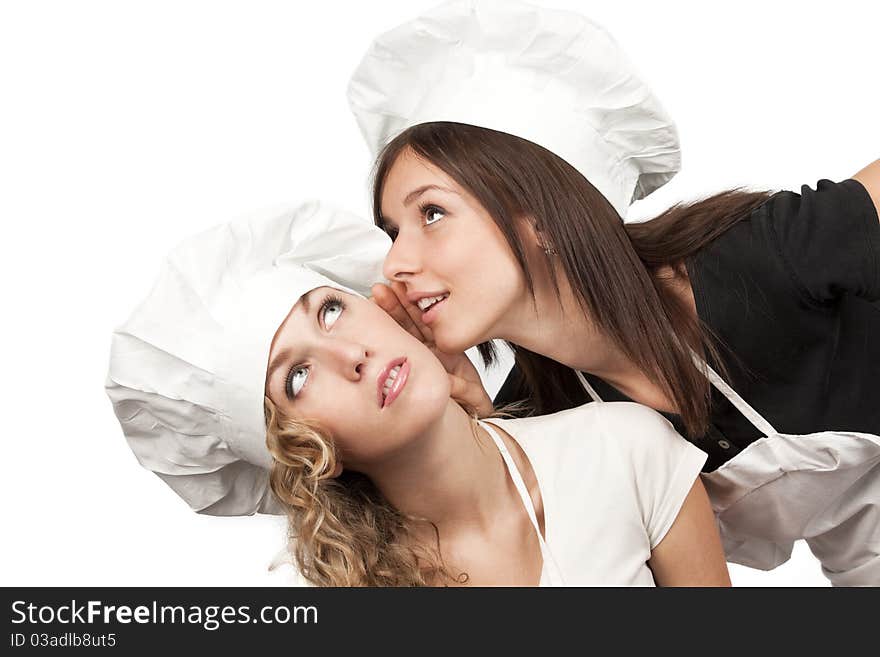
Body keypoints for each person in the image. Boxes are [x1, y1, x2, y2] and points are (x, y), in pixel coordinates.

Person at [347, 0, 880, 584]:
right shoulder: (553, 414)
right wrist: (488, 433)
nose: (396, 261)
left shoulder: (757, 259)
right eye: (393, 232)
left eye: (431, 212)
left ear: (541, 216)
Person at [106, 201, 729, 586]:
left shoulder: (623, 448)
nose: (351, 355)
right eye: (297, 376)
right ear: (304, 452)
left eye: (329, 311)